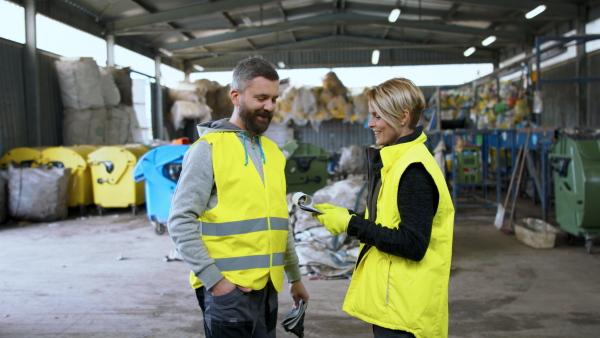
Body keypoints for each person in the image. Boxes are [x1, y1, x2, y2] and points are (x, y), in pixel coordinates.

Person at [168, 56, 309, 338]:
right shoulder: (207, 149)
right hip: (227, 293)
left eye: (273, 99)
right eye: (260, 98)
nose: (269, 107)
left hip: (268, 288)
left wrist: (294, 277)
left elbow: (279, 223)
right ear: (236, 96)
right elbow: (180, 221)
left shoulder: (273, 153)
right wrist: (216, 282)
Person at [311, 78, 454, 338]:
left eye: (377, 116)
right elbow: (389, 224)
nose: (370, 124)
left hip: (407, 312)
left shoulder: (413, 170)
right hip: (396, 304)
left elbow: (413, 243)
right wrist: (345, 216)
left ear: (402, 116)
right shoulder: (396, 161)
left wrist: (350, 225)